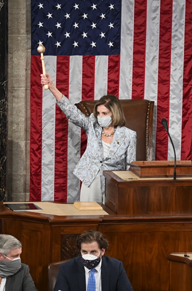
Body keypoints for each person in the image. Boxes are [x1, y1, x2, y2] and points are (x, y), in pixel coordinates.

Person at [40, 73, 137, 204]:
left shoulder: (129, 135)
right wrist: (52, 87)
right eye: (98, 113)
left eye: (104, 113)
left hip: (114, 184)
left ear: (114, 114)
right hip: (91, 180)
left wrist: (127, 191)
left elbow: (131, 168)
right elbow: (72, 112)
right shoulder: (92, 126)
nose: (100, 116)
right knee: (89, 217)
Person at [53, 230, 136, 291]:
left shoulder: (115, 266)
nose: (88, 256)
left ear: (102, 251)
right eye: (84, 252)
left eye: (93, 252)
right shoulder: (68, 267)